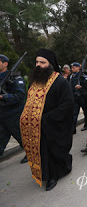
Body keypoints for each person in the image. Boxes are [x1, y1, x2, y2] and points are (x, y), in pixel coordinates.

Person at [20, 49, 74, 191]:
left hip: (53, 125)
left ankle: (54, 176)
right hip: (37, 126)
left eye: (42, 62)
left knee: (53, 152)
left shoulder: (60, 82)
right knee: (42, 151)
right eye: (37, 62)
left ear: (50, 64)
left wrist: (47, 118)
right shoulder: (35, 82)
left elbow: (68, 104)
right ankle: (45, 172)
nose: (38, 65)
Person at [0, 54, 27, 163]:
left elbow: (20, 96)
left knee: (22, 137)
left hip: (14, 114)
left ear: (5, 64)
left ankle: (32, 154)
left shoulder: (15, 78)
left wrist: (3, 96)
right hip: (1, 114)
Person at [69, 62, 86, 134]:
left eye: (74, 67)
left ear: (78, 67)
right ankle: (72, 129)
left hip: (81, 96)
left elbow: (86, 85)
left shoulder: (82, 75)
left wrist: (81, 86)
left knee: (86, 111)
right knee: (74, 113)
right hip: (74, 96)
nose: (72, 69)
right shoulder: (71, 76)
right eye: (72, 67)